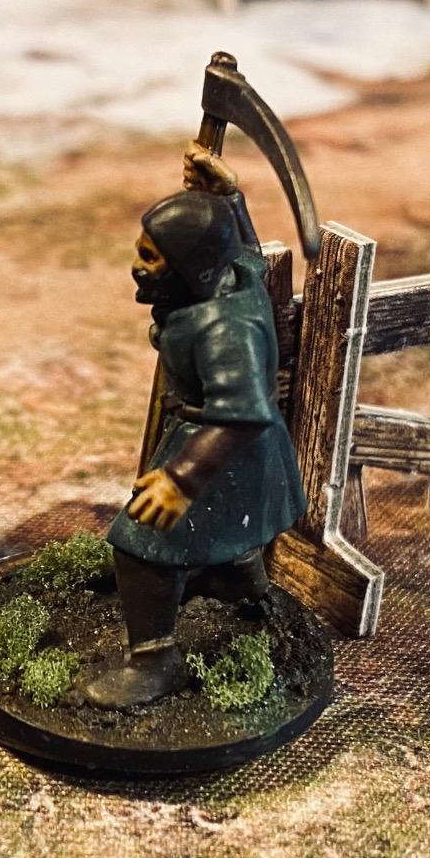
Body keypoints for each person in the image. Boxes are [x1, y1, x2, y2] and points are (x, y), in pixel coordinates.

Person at [86, 163, 308, 708]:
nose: (137, 267)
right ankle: (238, 582)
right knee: (220, 532)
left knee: (142, 546)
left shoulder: (225, 329)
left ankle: (153, 662)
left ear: (190, 265)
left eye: (151, 257)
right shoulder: (236, 276)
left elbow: (242, 413)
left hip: (224, 454)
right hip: (222, 445)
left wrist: (182, 479)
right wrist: (228, 197)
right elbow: (247, 251)